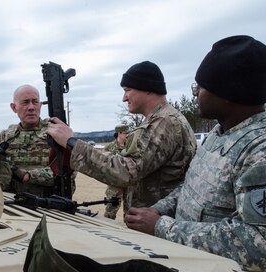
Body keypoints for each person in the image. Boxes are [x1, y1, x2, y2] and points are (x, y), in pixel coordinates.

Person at [123, 36, 266, 272]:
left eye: (199, 87)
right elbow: (191, 187)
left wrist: (161, 226)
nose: (195, 93)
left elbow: (263, 245)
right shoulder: (221, 134)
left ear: (228, 92)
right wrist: (157, 209)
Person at [47, 61, 197, 213]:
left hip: (157, 223)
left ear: (148, 89)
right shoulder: (160, 119)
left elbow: (126, 172)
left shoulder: (163, 122)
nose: (124, 98)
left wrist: (72, 143)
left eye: (127, 90)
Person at [0, 84, 75, 197]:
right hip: (13, 203)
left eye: (35, 102)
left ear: (40, 105)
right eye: (25, 102)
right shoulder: (6, 136)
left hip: (50, 205)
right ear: (14, 107)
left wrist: (28, 176)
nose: (31, 107)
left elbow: (68, 172)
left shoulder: (56, 132)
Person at [103, 124, 129, 219]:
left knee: (130, 213)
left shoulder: (131, 147)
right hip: (115, 186)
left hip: (129, 184)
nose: (128, 135)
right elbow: (103, 165)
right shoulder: (109, 148)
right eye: (126, 133)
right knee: (110, 212)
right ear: (120, 133)